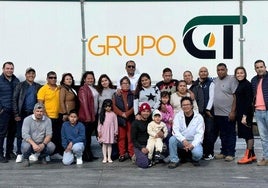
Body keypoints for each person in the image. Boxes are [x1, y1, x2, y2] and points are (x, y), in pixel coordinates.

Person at [13, 67, 41, 163]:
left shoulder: (38, 86)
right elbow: (14, 100)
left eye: (33, 74)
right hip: (22, 113)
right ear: (25, 75)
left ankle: (31, 153)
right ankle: (19, 153)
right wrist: (16, 113)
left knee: (33, 134)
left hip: (33, 114)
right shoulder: (20, 85)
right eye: (29, 74)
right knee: (20, 134)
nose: (31, 75)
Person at [168, 97, 205, 169]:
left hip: (193, 141)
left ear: (192, 106)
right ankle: (174, 160)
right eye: (184, 105)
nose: (186, 107)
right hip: (182, 140)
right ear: (181, 107)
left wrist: (192, 144)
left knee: (197, 154)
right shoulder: (178, 116)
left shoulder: (199, 117)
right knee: (172, 139)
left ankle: (194, 159)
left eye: (188, 104)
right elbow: (175, 130)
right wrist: (183, 140)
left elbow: (200, 134)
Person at [214, 63, 238, 162]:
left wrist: (233, 111)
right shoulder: (215, 80)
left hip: (228, 113)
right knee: (222, 134)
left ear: (226, 70)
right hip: (218, 113)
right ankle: (223, 152)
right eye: (218, 70)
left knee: (230, 134)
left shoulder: (232, 80)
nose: (220, 71)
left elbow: (235, 96)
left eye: (222, 69)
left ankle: (230, 153)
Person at [37, 71, 63, 160]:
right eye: (51, 77)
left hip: (58, 116)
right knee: (48, 137)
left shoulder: (59, 88)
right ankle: (46, 154)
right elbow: (40, 104)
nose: (53, 79)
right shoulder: (43, 89)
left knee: (57, 136)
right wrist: (45, 115)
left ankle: (55, 153)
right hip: (48, 117)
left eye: (55, 77)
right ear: (47, 79)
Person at [234, 67, 256, 164]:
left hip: (245, 113)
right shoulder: (240, 84)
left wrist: (245, 115)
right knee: (246, 135)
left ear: (245, 73)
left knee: (248, 134)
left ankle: (247, 156)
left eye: (241, 73)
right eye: (237, 73)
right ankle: (253, 155)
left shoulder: (247, 85)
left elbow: (249, 101)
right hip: (241, 113)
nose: (239, 74)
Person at [0, 62, 19, 163]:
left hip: (14, 111)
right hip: (4, 111)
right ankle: (0, 154)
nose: (9, 70)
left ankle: (9, 152)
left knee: (12, 133)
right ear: (3, 69)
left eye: (11, 68)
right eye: (7, 68)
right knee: (2, 133)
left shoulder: (16, 80)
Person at [194, 67, 215, 160]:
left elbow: (212, 98)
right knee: (199, 133)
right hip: (197, 113)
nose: (203, 73)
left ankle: (209, 153)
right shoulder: (195, 83)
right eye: (201, 71)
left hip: (208, 113)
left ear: (208, 73)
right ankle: (200, 152)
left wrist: (207, 109)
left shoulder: (211, 83)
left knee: (208, 132)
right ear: (199, 73)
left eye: (205, 71)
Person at [113, 76, 135, 162]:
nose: (125, 85)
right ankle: (122, 154)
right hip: (121, 119)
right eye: (123, 83)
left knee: (130, 137)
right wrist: (122, 114)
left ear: (129, 84)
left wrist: (127, 113)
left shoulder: (133, 94)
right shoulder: (116, 94)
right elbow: (114, 106)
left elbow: (134, 106)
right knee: (121, 137)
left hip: (130, 118)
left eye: (127, 83)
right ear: (120, 85)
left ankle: (131, 153)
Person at [78, 71, 99, 162]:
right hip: (87, 118)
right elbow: (84, 104)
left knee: (89, 137)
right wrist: (88, 117)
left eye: (92, 78)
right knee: (86, 137)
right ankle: (86, 155)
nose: (90, 80)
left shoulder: (92, 88)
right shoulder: (83, 89)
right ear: (84, 79)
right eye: (88, 78)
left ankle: (89, 154)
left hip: (93, 116)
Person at [251, 59, 268, 166]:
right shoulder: (253, 80)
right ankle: (266, 158)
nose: (259, 69)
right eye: (257, 67)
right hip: (258, 111)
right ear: (255, 69)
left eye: (261, 67)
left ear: (265, 67)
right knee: (263, 137)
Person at [131, 102, 152, 168]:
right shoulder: (135, 123)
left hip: (150, 145)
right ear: (140, 112)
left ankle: (148, 158)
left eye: (147, 111)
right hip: (140, 146)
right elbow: (133, 139)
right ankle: (137, 157)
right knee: (144, 164)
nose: (146, 113)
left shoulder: (151, 122)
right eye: (143, 111)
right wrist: (141, 148)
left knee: (163, 155)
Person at [97, 99, 118, 163]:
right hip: (104, 132)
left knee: (109, 145)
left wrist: (115, 132)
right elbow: (99, 124)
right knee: (104, 144)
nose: (108, 108)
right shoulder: (102, 114)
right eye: (106, 106)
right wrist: (99, 131)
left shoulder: (113, 114)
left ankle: (109, 157)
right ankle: (104, 157)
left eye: (109, 106)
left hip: (110, 132)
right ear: (104, 107)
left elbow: (115, 123)